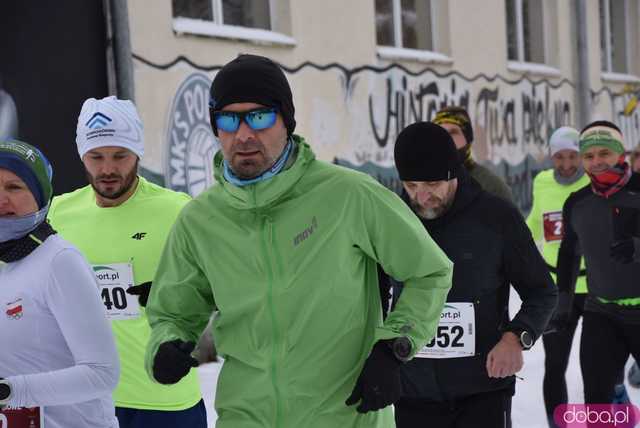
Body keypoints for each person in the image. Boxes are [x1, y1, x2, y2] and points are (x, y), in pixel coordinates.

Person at [144, 54, 454, 428]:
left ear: (286, 121)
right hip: (245, 417)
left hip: (344, 416)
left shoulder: (349, 196)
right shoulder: (200, 220)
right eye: (228, 119)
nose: (243, 134)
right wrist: (164, 346)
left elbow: (430, 271)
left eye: (259, 117)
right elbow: (173, 312)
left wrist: (394, 346)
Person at [47, 97, 205, 428]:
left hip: (164, 401)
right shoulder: (57, 213)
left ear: (137, 152)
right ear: (81, 155)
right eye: (96, 156)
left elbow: (223, 285)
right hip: (85, 402)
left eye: (120, 155)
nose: (107, 169)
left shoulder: (179, 211)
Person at [386, 122, 557, 428]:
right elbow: (370, 291)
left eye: (432, 184)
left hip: (483, 391)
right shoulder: (393, 220)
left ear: (453, 173)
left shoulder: (496, 217)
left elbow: (542, 291)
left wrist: (516, 338)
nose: (422, 197)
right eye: (411, 186)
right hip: (412, 391)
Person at [0, 139, 119, 427]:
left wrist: (11, 392)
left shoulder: (59, 261)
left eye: (14, 187)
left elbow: (102, 373)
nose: (2, 200)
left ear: (40, 197)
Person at [556, 120, 640, 408]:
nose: (597, 162)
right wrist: (562, 305)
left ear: (621, 154)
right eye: (589, 156)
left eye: (604, 153)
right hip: (601, 313)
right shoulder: (576, 203)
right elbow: (568, 254)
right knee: (597, 404)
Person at [525, 126, 590, 425]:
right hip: (557, 289)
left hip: (596, 286)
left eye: (573, 156)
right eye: (559, 157)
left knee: (599, 366)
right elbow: (535, 224)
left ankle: (609, 415)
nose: (566, 164)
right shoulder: (541, 182)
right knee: (555, 365)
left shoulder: (594, 184)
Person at [433, 106, 513, 202]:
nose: (446, 139)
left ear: (468, 139)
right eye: (440, 133)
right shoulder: (422, 184)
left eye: (453, 132)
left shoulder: (491, 187)